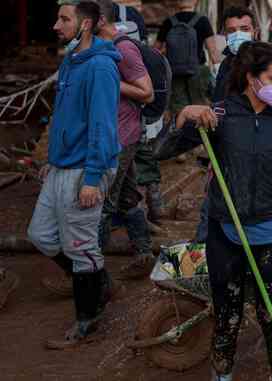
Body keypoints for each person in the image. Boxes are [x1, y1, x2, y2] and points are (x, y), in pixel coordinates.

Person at [162, 42, 272, 381]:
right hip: (225, 229)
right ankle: (222, 371)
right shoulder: (220, 115)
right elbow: (162, 151)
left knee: (270, 309)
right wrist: (185, 116)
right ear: (251, 78)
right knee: (226, 310)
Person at [27, 0, 120, 349]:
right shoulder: (71, 61)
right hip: (63, 165)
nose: (55, 24)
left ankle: (87, 319)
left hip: (86, 167)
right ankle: (99, 282)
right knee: (40, 235)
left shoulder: (99, 67)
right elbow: (65, 117)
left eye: (63, 19)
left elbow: (102, 125)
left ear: (84, 25)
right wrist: (52, 158)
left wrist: (93, 178)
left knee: (80, 247)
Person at [91, 0, 155, 281]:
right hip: (114, 132)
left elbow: (147, 93)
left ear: (100, 21)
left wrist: (109, 80)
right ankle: (144, 253)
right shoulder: (100, 47)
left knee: (103, 202)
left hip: (120, 135)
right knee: (127, 195)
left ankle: (91, 273)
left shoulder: (123, 48)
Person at [194, 6, 259, 244]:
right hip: (224, 149)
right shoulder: (226, 64)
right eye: (232, 30)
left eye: (244, 29)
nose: (238, 34)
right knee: (214, 204)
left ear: (255, 31)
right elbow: (218, 105)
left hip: (254, 150)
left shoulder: (266, 66)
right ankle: (202, 255)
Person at [154, 0, 219, 115]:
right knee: (202, 111)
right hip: (198, 72)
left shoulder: (168, 22)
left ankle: (182, 131)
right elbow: (213, 52)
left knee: (179, 111)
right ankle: (202, 132)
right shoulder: (202, 21)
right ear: (196, 1)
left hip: (175, 74)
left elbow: (155, 52)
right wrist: (218, 74)